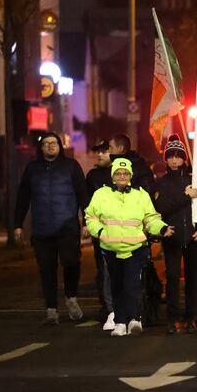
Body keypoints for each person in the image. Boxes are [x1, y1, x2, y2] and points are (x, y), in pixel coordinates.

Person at [85, 158, 173, 336]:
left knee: (132, 284)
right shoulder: (101, 195)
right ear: (112, 176)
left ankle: (134, 318)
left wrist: (162, 228)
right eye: (118, 173)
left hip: (135, 248)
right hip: (111, 248)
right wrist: (100, 232)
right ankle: (120, 322)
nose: (122, 176)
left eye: (125, 173)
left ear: (131, 176)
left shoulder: (140, 196)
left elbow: (150, 218)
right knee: (117, 286)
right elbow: (91, 217)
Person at [15, 132, 88, 325]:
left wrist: (87, 222)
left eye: (53, 143)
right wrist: (18, 224)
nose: (50, 146)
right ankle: (51, 310)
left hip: (68, 227)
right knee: (46, 270)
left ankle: (71, 298)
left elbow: (83, 195)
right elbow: (23, 197)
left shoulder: (71, 166)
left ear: (60, 146)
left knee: (71, 262)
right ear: (40, 148)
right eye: (46, 143)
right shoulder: (32, 169)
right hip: (42, 230)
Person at [154, 135, 197, 334]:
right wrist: (184, 196)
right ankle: (172, 319)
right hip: (172, 237)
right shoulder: (162, 182)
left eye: (178, 156)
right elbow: (161, 206)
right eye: (170, 156)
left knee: (193, 279)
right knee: (173, 278)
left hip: (193, 237)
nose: (174, 160)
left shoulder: (195, 179)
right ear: (165, 159)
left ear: (185, 158)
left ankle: (191, 317)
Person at [86, 140, 116, 329]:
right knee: (103, 270)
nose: (100, 155)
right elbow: (87, 202)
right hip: (101, 233)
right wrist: (87, 225)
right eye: (99, 151)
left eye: (104, 151)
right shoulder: (93, 176)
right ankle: (106, 306)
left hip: (123, 233)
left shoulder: (122, 172)